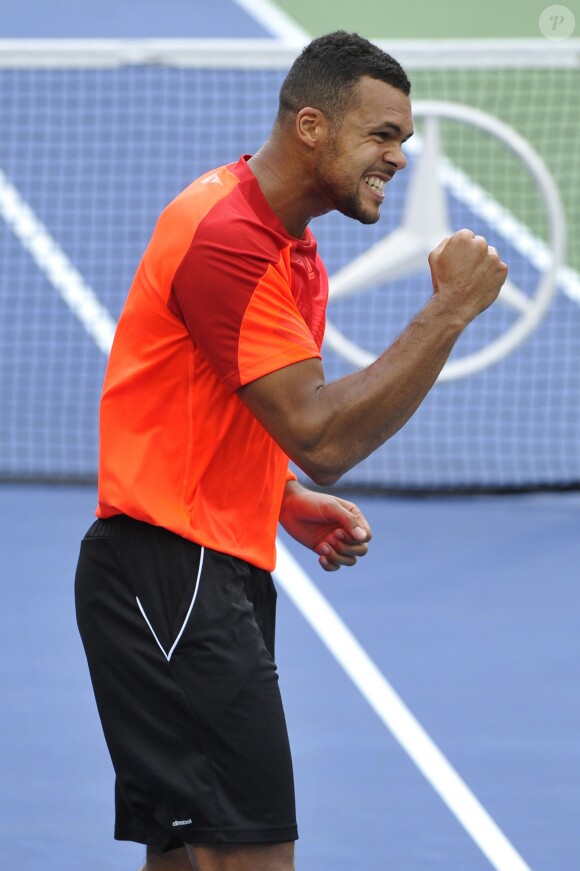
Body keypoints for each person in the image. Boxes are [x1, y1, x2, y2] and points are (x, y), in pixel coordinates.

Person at [75, 30, 508, 871]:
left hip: (197, 565)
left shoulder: (289, 247)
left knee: (188, 857)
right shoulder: (229, 240)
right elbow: (324, 436)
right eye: (382, 135)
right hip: (172, 576)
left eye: (404, 141)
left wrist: (276, 499)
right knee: (255, 857)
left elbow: (215, 412)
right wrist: (450, 310)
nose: (399, 157)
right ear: (311, 125)